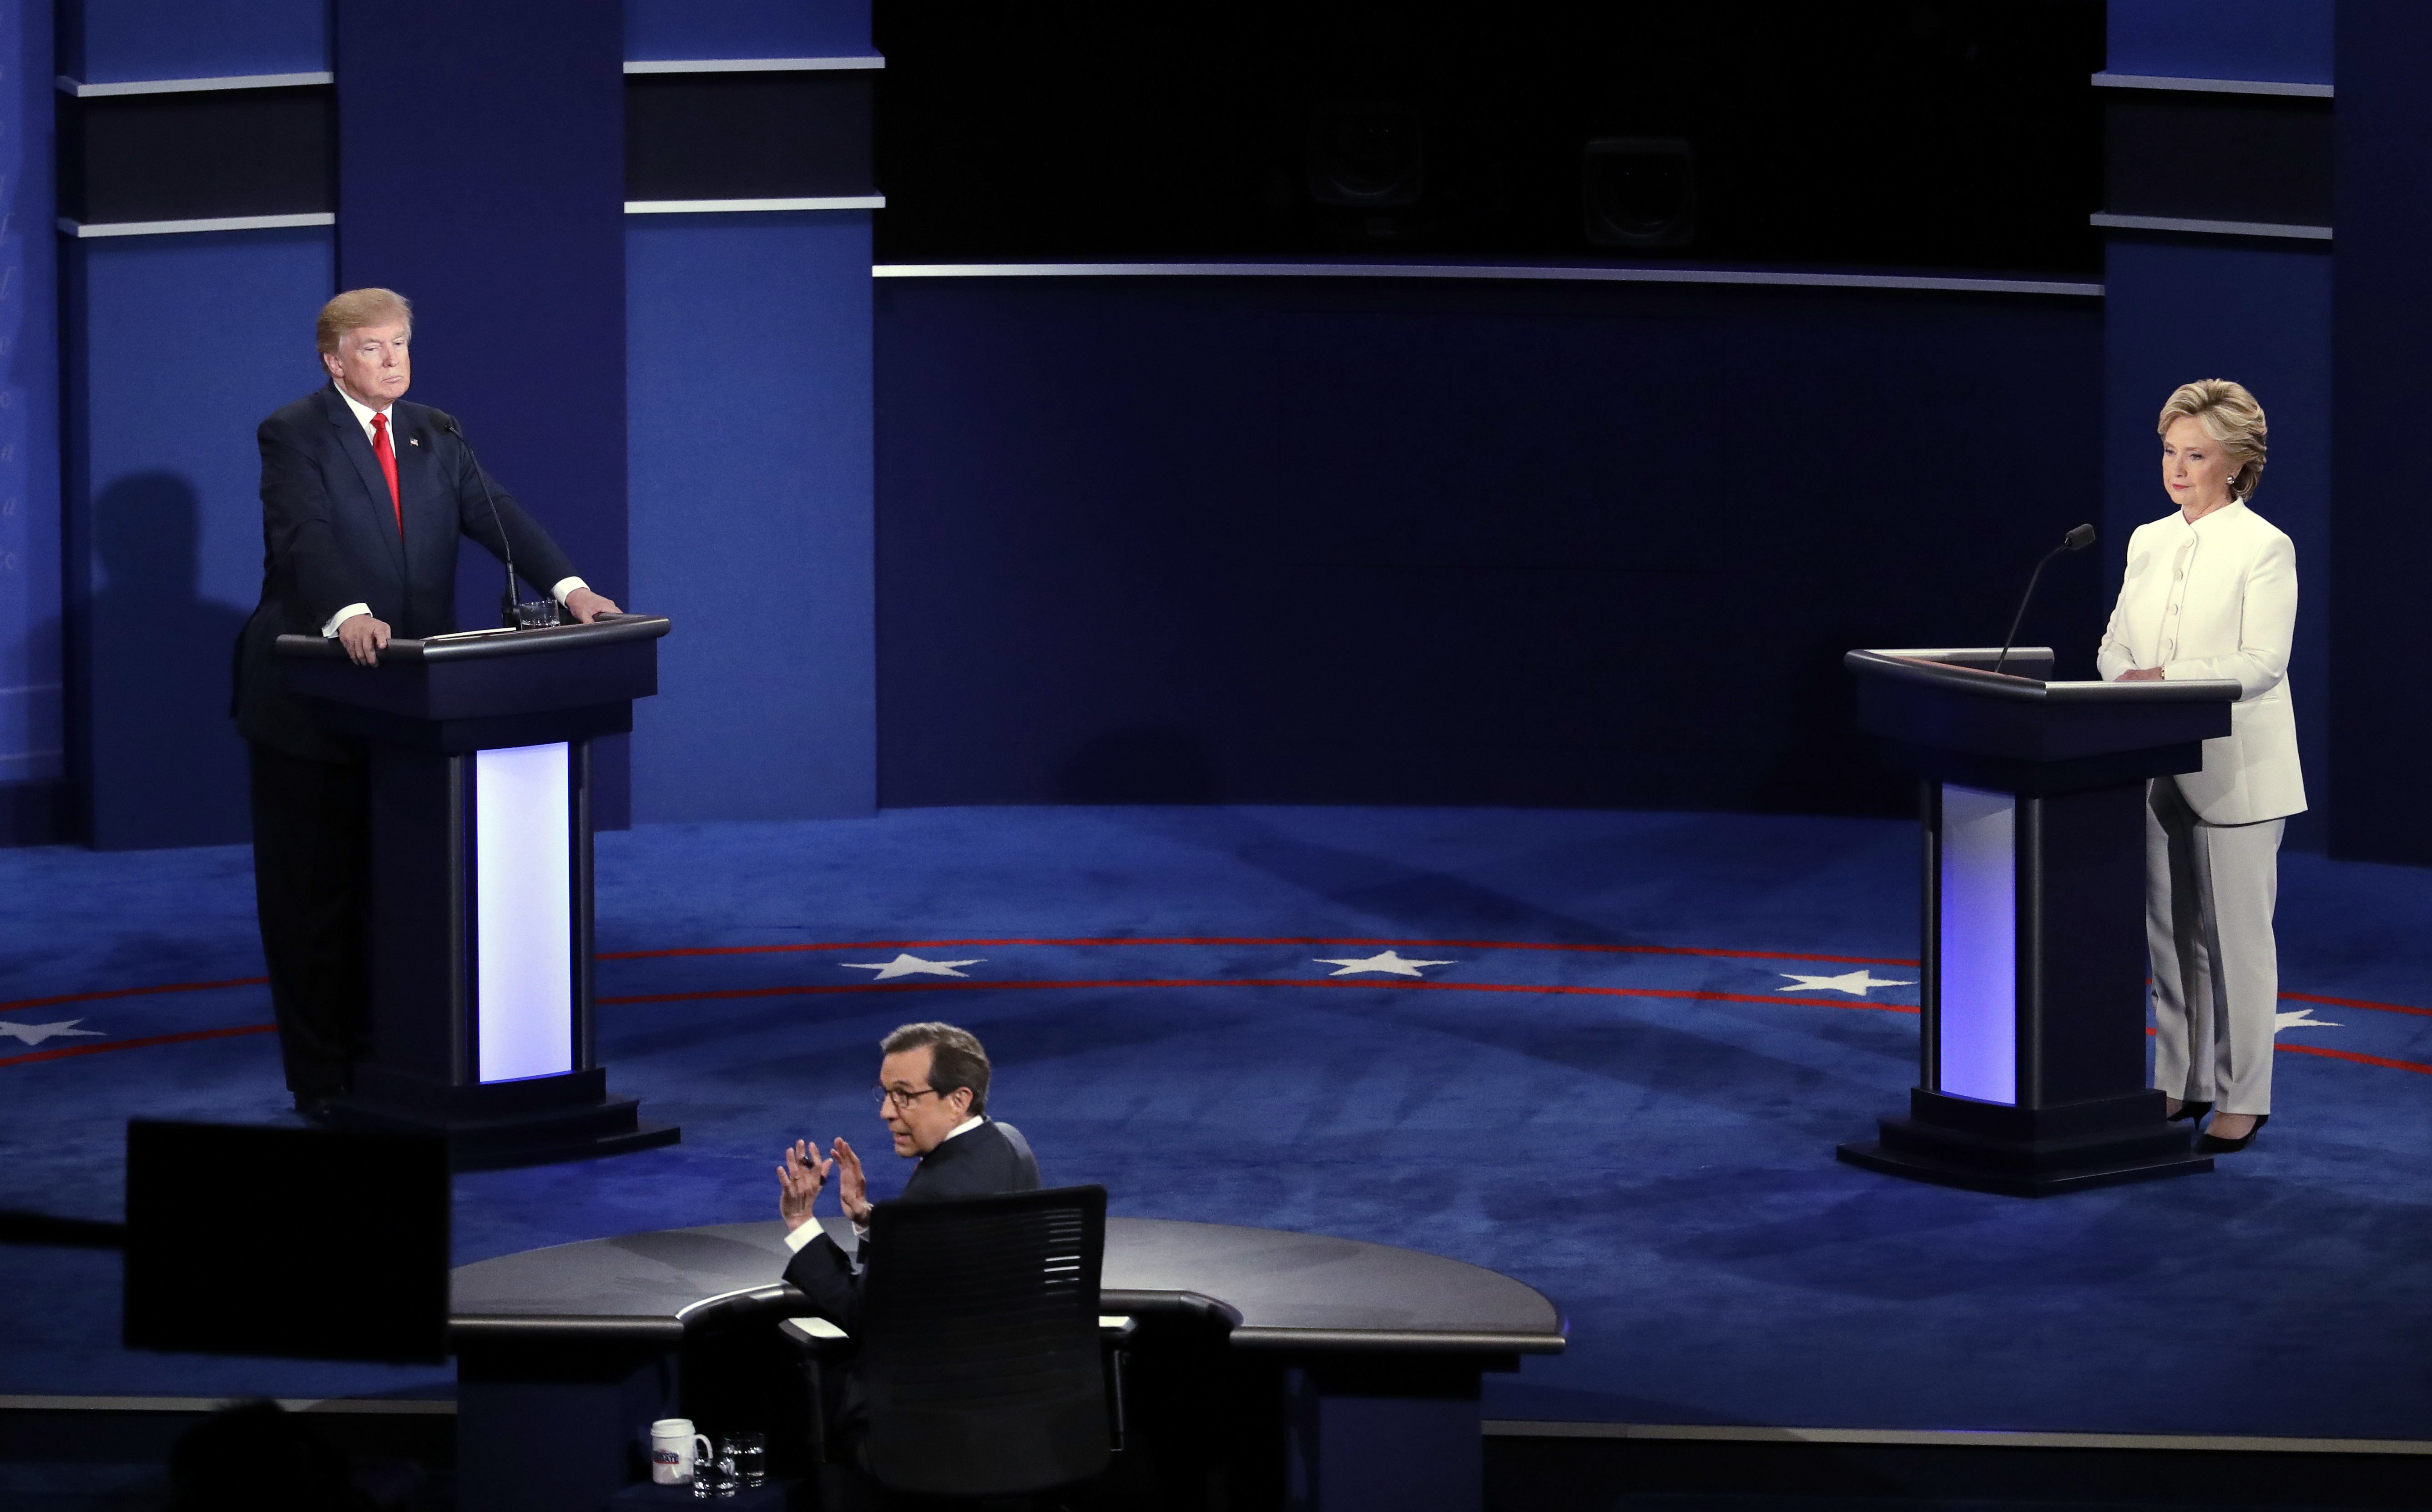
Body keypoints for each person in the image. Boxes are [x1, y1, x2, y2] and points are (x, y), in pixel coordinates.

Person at [232, 288, 621, 1117]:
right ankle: (322, 1078)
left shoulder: (434, 430)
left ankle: (399, 1056)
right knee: (315, 899)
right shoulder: (295, 431)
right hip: (315, 694)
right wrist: (349, 613)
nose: (393, 360)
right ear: (333, 359)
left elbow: (496, 512)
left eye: (401, 343)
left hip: (418, 699)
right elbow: (303, 535)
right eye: (372, 348)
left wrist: (573, 587)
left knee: (401, 894)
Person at [2095, 379, 2302, 1155]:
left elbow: (2262, 662)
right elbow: (2116, 641)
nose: (2176, 470)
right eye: (2169, 452)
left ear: (2235, 463)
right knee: (2170, 935)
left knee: (2234, 941)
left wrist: (2161, 681)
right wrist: (2124, 678)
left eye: (2195, 455)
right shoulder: (2147, 540)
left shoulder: (2264, 546)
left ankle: (2244, 1094)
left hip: (2236, 768)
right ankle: (2180, 1079)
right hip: (2153, 760)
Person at [777, 1021, 1041, 1327]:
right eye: (886, 1094)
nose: (886, 1112)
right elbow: (946, 1254)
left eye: (904, 1095)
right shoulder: (1011, 1141)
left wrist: (801, 1221)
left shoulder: (930, 1195)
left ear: (959, 1101)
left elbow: (864, 1315)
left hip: (937, 1370)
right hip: (1017, 1359)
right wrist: (871, 1220)